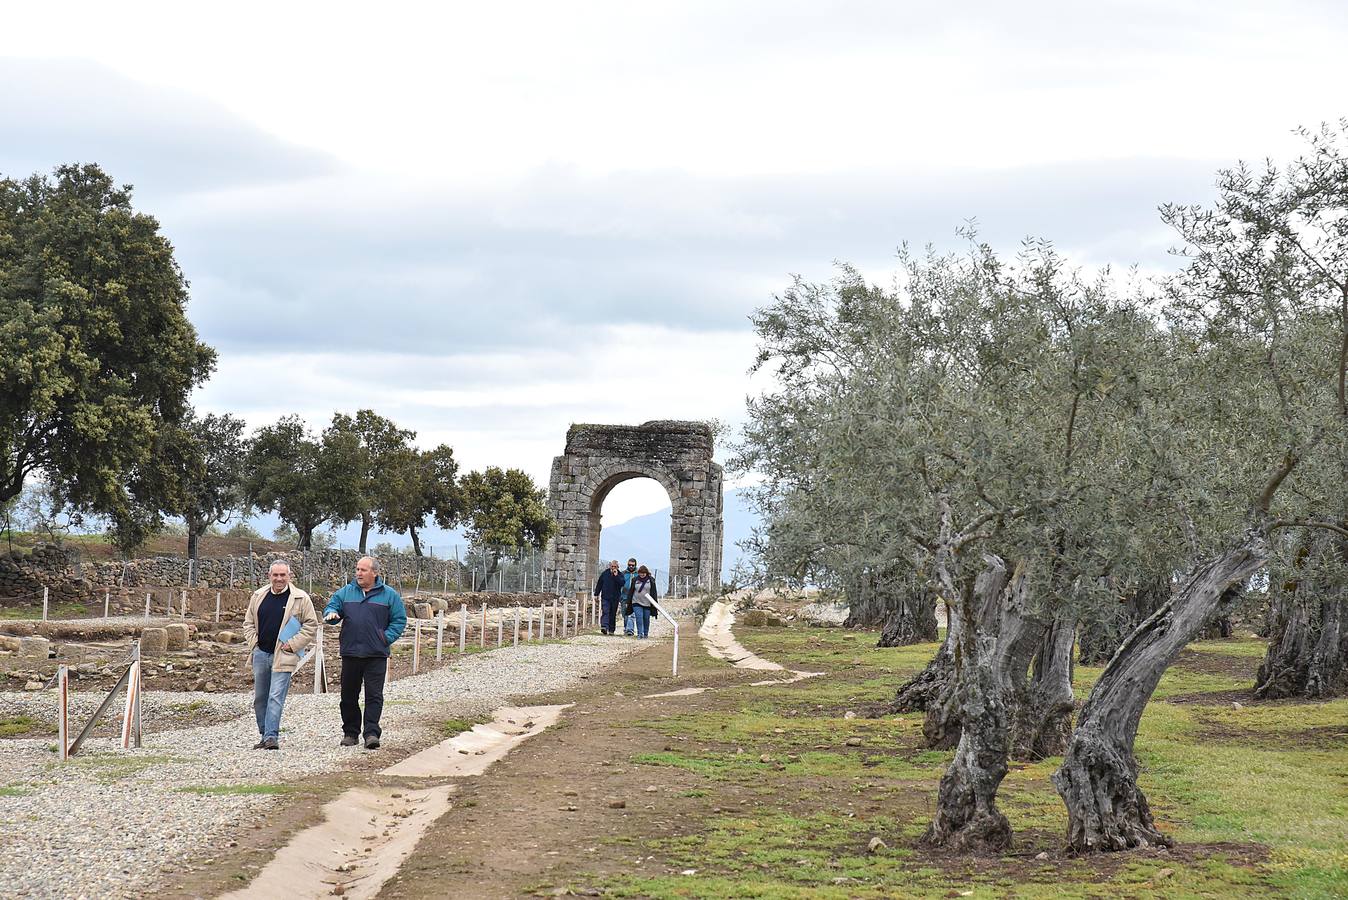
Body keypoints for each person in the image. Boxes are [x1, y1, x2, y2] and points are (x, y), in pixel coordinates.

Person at [323, 556, 407, 750]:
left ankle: (371, 733)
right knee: (348, 696)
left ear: (374, 573)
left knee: (374, 696)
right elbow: (332, 606)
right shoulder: (346, 592)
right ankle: (351, 733)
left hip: (376, 654)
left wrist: (384, 638)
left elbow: (399, 620)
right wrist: (332, 614)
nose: (358, 573)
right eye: (357, 569)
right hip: (351, 652)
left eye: (363, 570)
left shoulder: (389, 595)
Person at [242, 560, 318, 750]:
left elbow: (311, 625)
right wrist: (255, 643)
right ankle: (264, 733)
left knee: (275, 696)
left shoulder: (301, 598)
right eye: (275, 575)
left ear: (289, 576)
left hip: (284, 655)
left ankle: (271, 737)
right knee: (260, 698)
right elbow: (248, 623)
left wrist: (292, 645)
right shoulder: (258, 596)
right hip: (261, 654)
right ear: (269, 576)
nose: (279, 579)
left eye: (283, 575)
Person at [593, 560, 626, 635]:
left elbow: (622, 583)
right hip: (605, 596)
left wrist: (616, 576)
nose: (613, 568)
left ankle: (611, 629)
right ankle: (604, 626)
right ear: (610, 566)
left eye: (615, 567)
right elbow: (599, 584)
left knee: (612, 613)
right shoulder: (605, 573)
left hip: (615, 597)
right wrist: (596, 594)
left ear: (618, 567)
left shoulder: (620, 575)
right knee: (605, 611)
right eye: (612, 566)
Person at [628, 564, 659, 639]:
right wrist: (628, 601)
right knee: (639, 617)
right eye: (640, 573)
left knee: (646, 618)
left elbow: (654, 592)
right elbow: (631, 591)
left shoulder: (651, 580)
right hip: (636, 602)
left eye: (643, 573)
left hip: (647, 603)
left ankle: (645, 633)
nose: (642, 574)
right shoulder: (635, 580)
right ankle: (639, 634)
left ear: (646, 573)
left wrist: (655, 604)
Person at [620, 557, 639, 636]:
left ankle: (630, 630)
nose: (631, 567)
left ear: (635, 565)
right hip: (624, 597)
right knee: (625, 614)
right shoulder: (623, 573)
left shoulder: (638, 574)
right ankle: (626, 628)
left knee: (631, 614)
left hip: (634, 597)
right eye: (629, 565)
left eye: (632, 565)